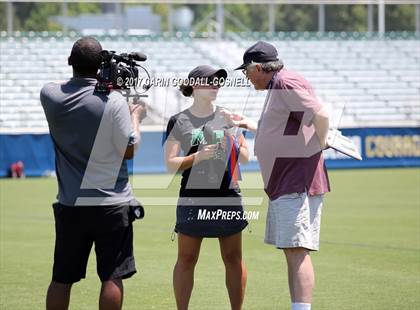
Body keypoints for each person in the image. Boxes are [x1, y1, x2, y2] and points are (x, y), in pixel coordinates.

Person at [40, 36, 146, 310]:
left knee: (61, 278)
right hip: (112, 204)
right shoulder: (113, 100)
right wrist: (135, 115)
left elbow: (64, 88)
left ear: (69, 62)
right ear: (100, 66)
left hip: (71, 203)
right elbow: (129, 150)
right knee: (111, 276)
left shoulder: (50, 96)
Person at [224, 41, 330, 310]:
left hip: (296, 181)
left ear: (259, 67)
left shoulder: (284, 83)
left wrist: (323, 138)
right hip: (288, 181)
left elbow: (321, 114)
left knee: (297, 251)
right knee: (293, 251)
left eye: (247, 70)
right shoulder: (278, 85)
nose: (246, 76)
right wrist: (248, 123)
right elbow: (285, 128)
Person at [164, 65, 249, 310]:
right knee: (187, 259)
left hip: (228, 195)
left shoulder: (228, 116)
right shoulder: (178, 120)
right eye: (210, 81)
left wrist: (232, 141)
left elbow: (244, 157)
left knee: (233, 259)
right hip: (193, 197)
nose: (216, 85)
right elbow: (171, 164)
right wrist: (198, 157)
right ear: (194, 86)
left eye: (218, 81)